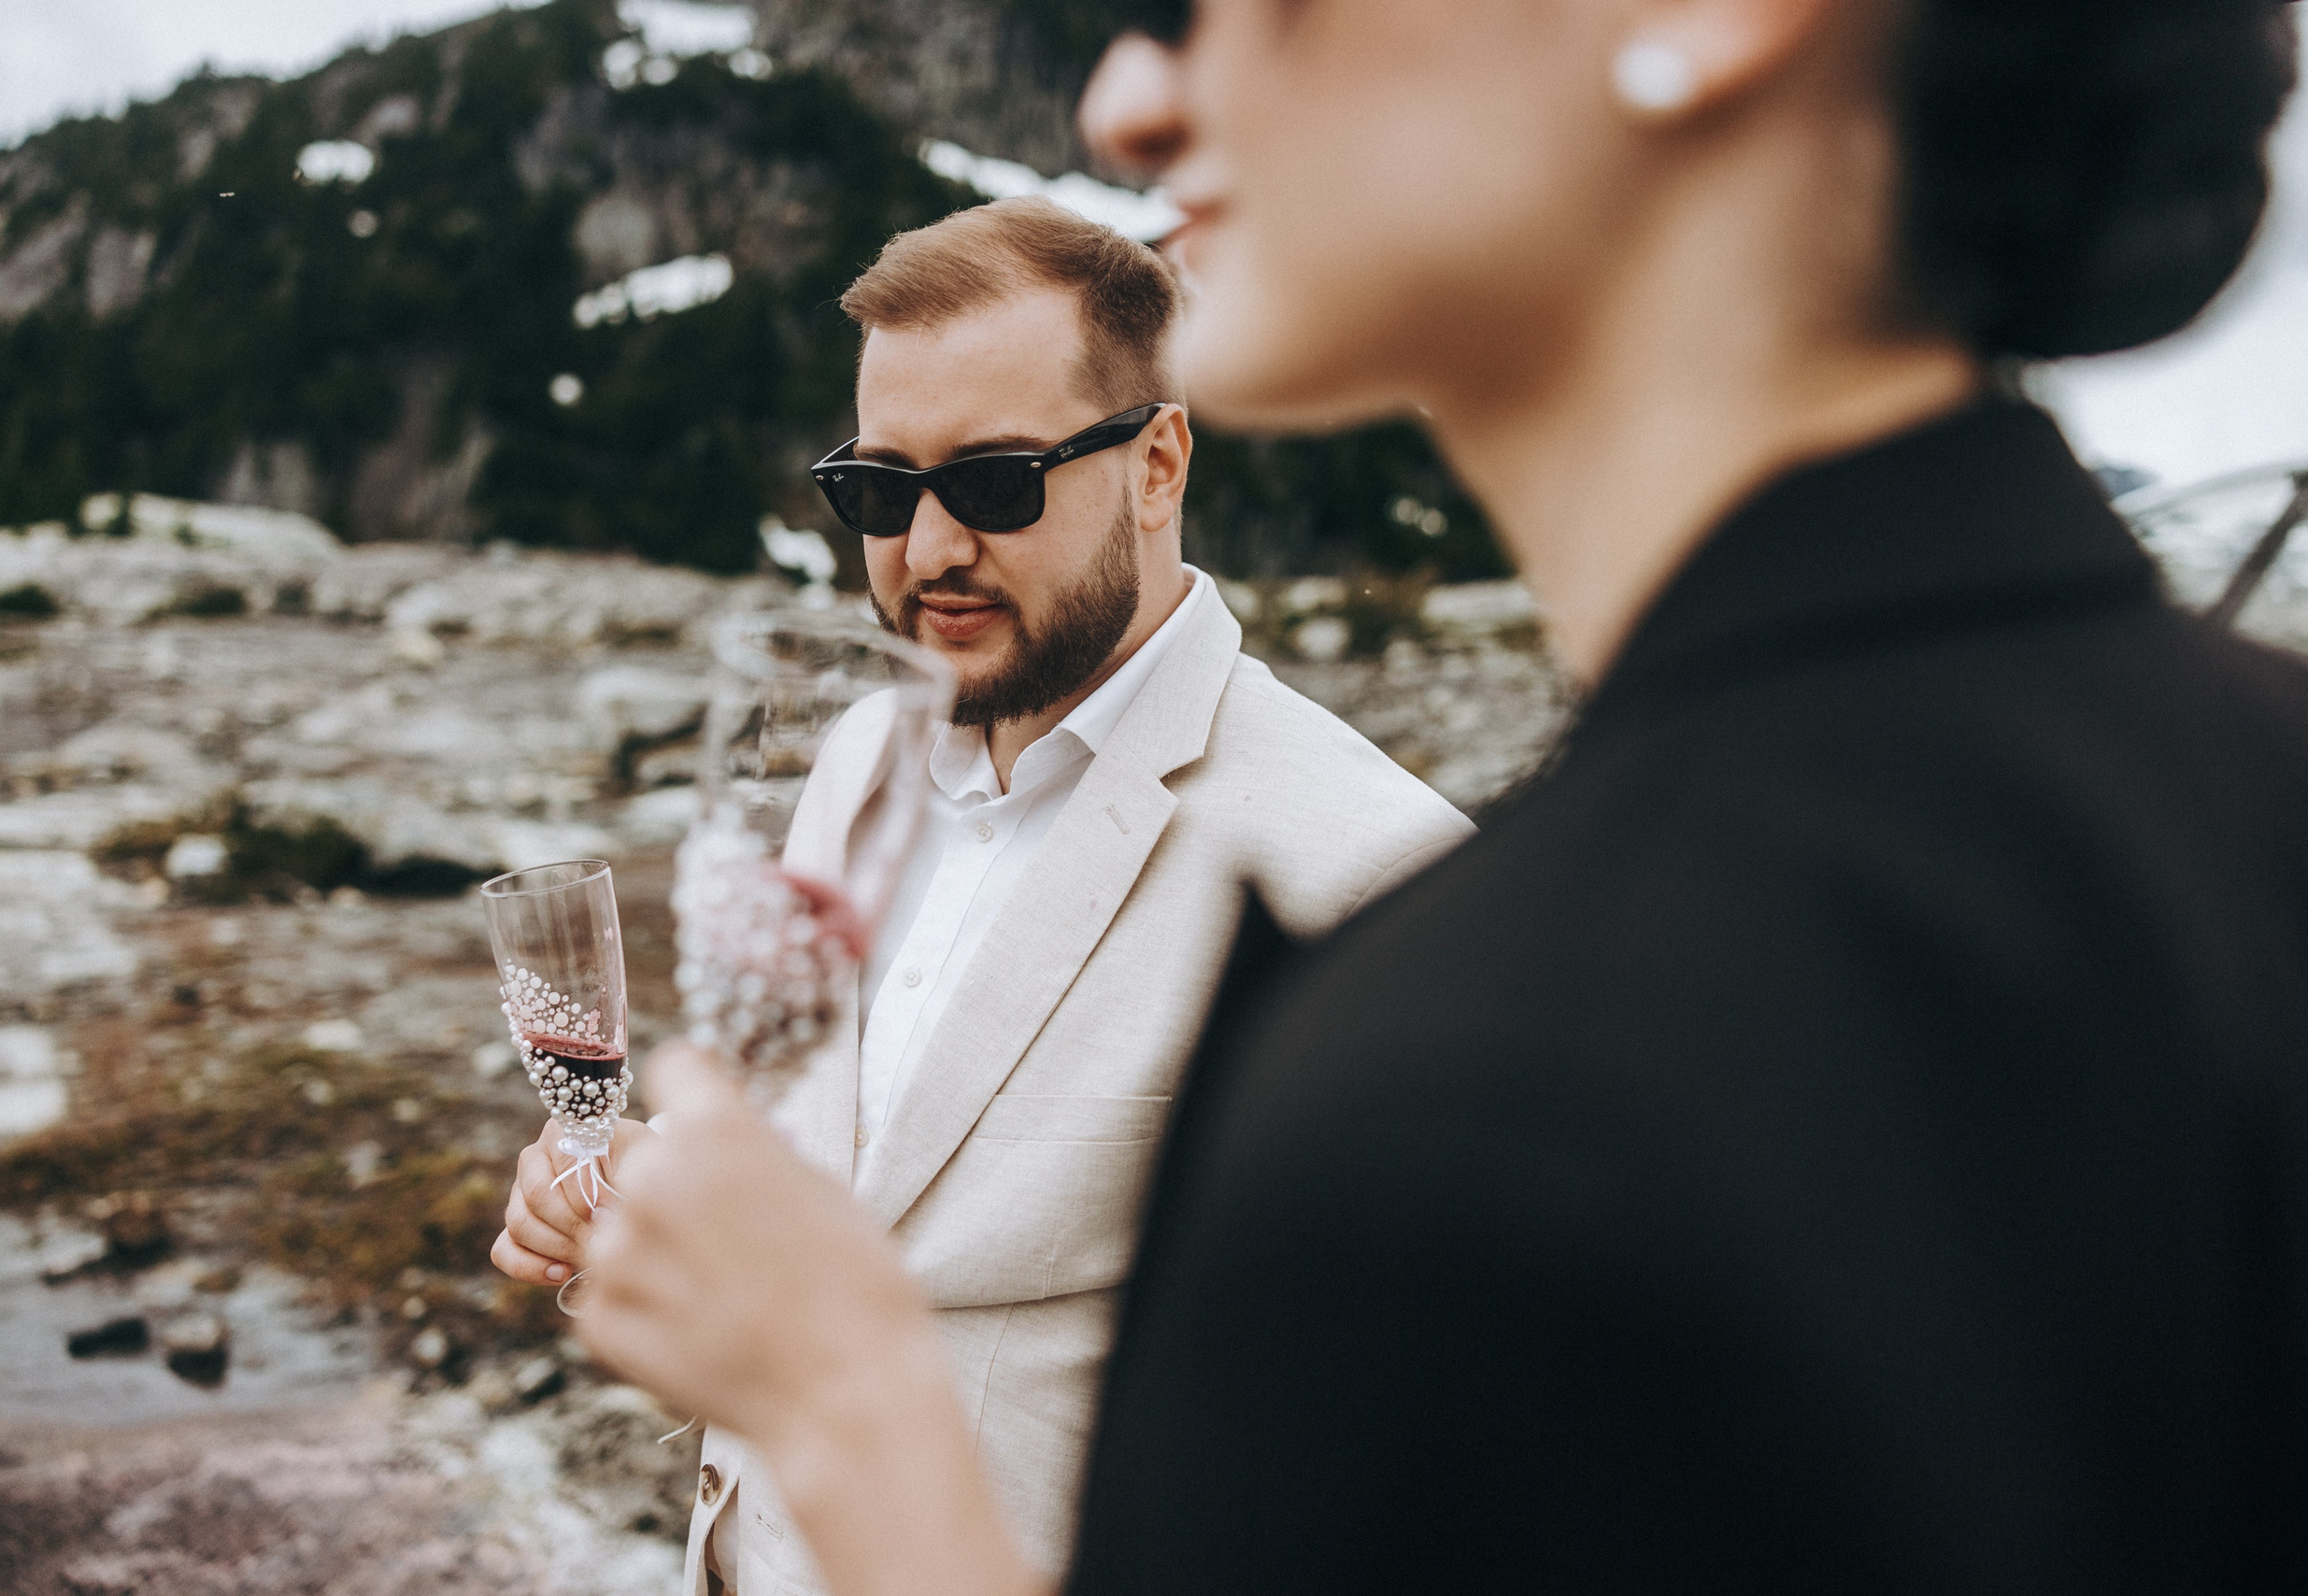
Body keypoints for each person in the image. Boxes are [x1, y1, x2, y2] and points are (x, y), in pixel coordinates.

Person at [575, 1, 2308, 1591]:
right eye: (879, 487)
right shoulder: (2233, 791)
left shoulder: (1474, 1048)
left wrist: (847, 1414)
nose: (1129, 94)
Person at [490, 193, 1473, 1595]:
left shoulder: (1373, 882)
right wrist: (635, 1209)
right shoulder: (854, 765)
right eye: (879, 492)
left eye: (997, 481)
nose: (931, 550)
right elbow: (833, 1224)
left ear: (1158, 462)